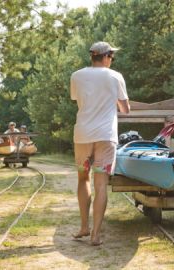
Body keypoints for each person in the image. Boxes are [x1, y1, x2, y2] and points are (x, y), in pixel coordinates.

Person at [70, 41, 130, 245]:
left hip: (83, 135)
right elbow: (125, 109)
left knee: (82, 178)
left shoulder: (77, 76)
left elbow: (78, 100)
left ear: (92, 57)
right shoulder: (115, 76)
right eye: (112, 57)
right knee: (101, 184)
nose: (112, 61)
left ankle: (84, 227)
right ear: (106, 57)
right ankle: (95, 234)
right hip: (106, 136)